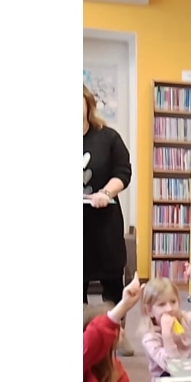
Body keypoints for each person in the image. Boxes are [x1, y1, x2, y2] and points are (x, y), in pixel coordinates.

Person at [83, 84, 134, 356]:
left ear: (88, 105)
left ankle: (117, 334)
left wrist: (105, 193)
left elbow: (122, 172)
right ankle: (85, 339)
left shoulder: (109, 137)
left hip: (105, 226)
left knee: (113, 282)